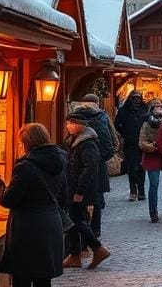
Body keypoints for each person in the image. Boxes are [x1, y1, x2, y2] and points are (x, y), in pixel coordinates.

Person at [0, 123, 67, 287]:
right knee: (43, 279)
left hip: (27, 230)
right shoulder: (59, 162)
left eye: (21, 143)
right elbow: (64, 197)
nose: (19, 146)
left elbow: (9, 199)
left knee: (22, 278)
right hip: (51, 225)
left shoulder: (25, 167)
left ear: (27, 144)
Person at [63, 111, 111, 269]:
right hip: (73, 188)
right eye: (68, 123)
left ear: (82, 125)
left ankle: (97, 248)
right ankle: (75, 254)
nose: (69, 126)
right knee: (73, 221)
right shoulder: (74, 140)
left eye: (73, 123)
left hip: (80, 190)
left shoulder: (88, 143)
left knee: (76, 220)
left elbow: (89, 169)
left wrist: (79, 192)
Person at [76, 93, 113, 237]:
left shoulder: (74, 118)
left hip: (79, 167)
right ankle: (95, 230)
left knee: (80, 198)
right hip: (99, 165)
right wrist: (101, 158)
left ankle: (85, 229)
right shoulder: (102, 117)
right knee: (96, 199)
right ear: (97, 103)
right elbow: (110, 142)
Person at [114, 90, 148, 201]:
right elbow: (117, 124)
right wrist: (125, 133)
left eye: (138, 98)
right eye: (134, 98)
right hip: (130, 143)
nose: (136, 100)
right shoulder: (124, 111)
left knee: (142, 168)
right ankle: (133, 189)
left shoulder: (144, 109)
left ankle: (141, 190)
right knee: (132, 168)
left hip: (142, 143)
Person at [139, 101, 162, 222]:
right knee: (154, 184)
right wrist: (154, 147)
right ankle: (153, 210)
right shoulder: (146, 124)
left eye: (160, 107)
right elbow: (142, 142)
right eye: (156, 107)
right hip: (153, 155)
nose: (158, 110)